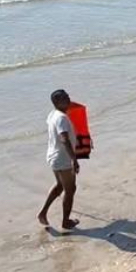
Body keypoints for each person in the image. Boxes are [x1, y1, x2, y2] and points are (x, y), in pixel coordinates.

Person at [38, 89, 80, 230]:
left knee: (60, 186)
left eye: (68, 96)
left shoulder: (53, 114)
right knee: (70, 189)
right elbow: (64, 138)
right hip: (62, 159)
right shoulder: (61, 118)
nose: (68, 100)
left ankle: (43, 213)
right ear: (57, 102)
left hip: (53, 156)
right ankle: (66, 221)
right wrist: (74, 159)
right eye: (65, 98)